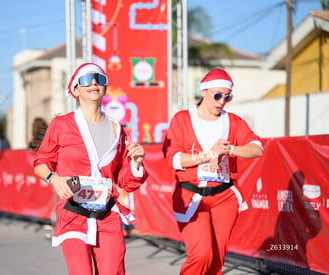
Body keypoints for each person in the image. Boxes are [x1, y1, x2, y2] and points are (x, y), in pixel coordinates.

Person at [34, 62, 148, 275]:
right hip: (73, 214)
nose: (94, 83)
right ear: (75, 90)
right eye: (87, 80)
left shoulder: (118, 130)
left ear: (105, 87)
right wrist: (55, 179)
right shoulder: (61, 124)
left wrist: (137, 163)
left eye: (99, 79)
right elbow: (41, 162)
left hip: (107, 215)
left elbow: (125, 181)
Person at [163, 68, 263, 275]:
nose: (222, 101)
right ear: (204, 92)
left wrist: (232, 149)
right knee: (201, 254)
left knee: (217, 259)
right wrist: (207, 156)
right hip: (192, 195)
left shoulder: (233, 121)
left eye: (228, 97)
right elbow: (172, 159)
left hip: (224, 196)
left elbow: (257, 148)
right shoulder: (182, 119)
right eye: (217, 95)